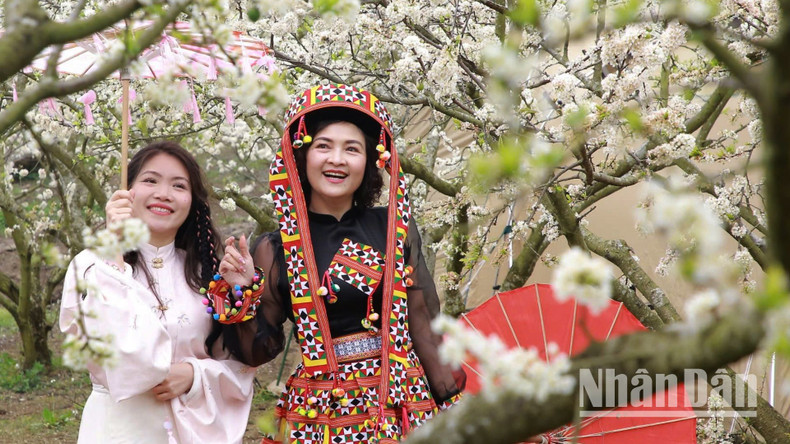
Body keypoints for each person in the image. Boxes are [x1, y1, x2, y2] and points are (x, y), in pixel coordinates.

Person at [209, 84, 465, 444]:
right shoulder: (277, 246)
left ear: (370, 161)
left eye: (352, 149)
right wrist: (243, 289)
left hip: (399, 401)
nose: (337, 159)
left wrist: (458, 409)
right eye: (323, 146)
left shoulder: (392, 227)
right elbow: (260, 349)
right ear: (302, 156)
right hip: (319, 411)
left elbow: (421, 325)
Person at [60, 141, 256, 444]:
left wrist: (195, 375)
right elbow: (111, 355)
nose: (163, 193)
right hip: (120, 429)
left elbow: (241, 364)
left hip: (193, 428)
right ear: (127, 192)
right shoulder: (89, 266)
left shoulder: (205, 272)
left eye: (179, 185)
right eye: (150, 180)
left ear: (192, 201)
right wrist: (113, 251)